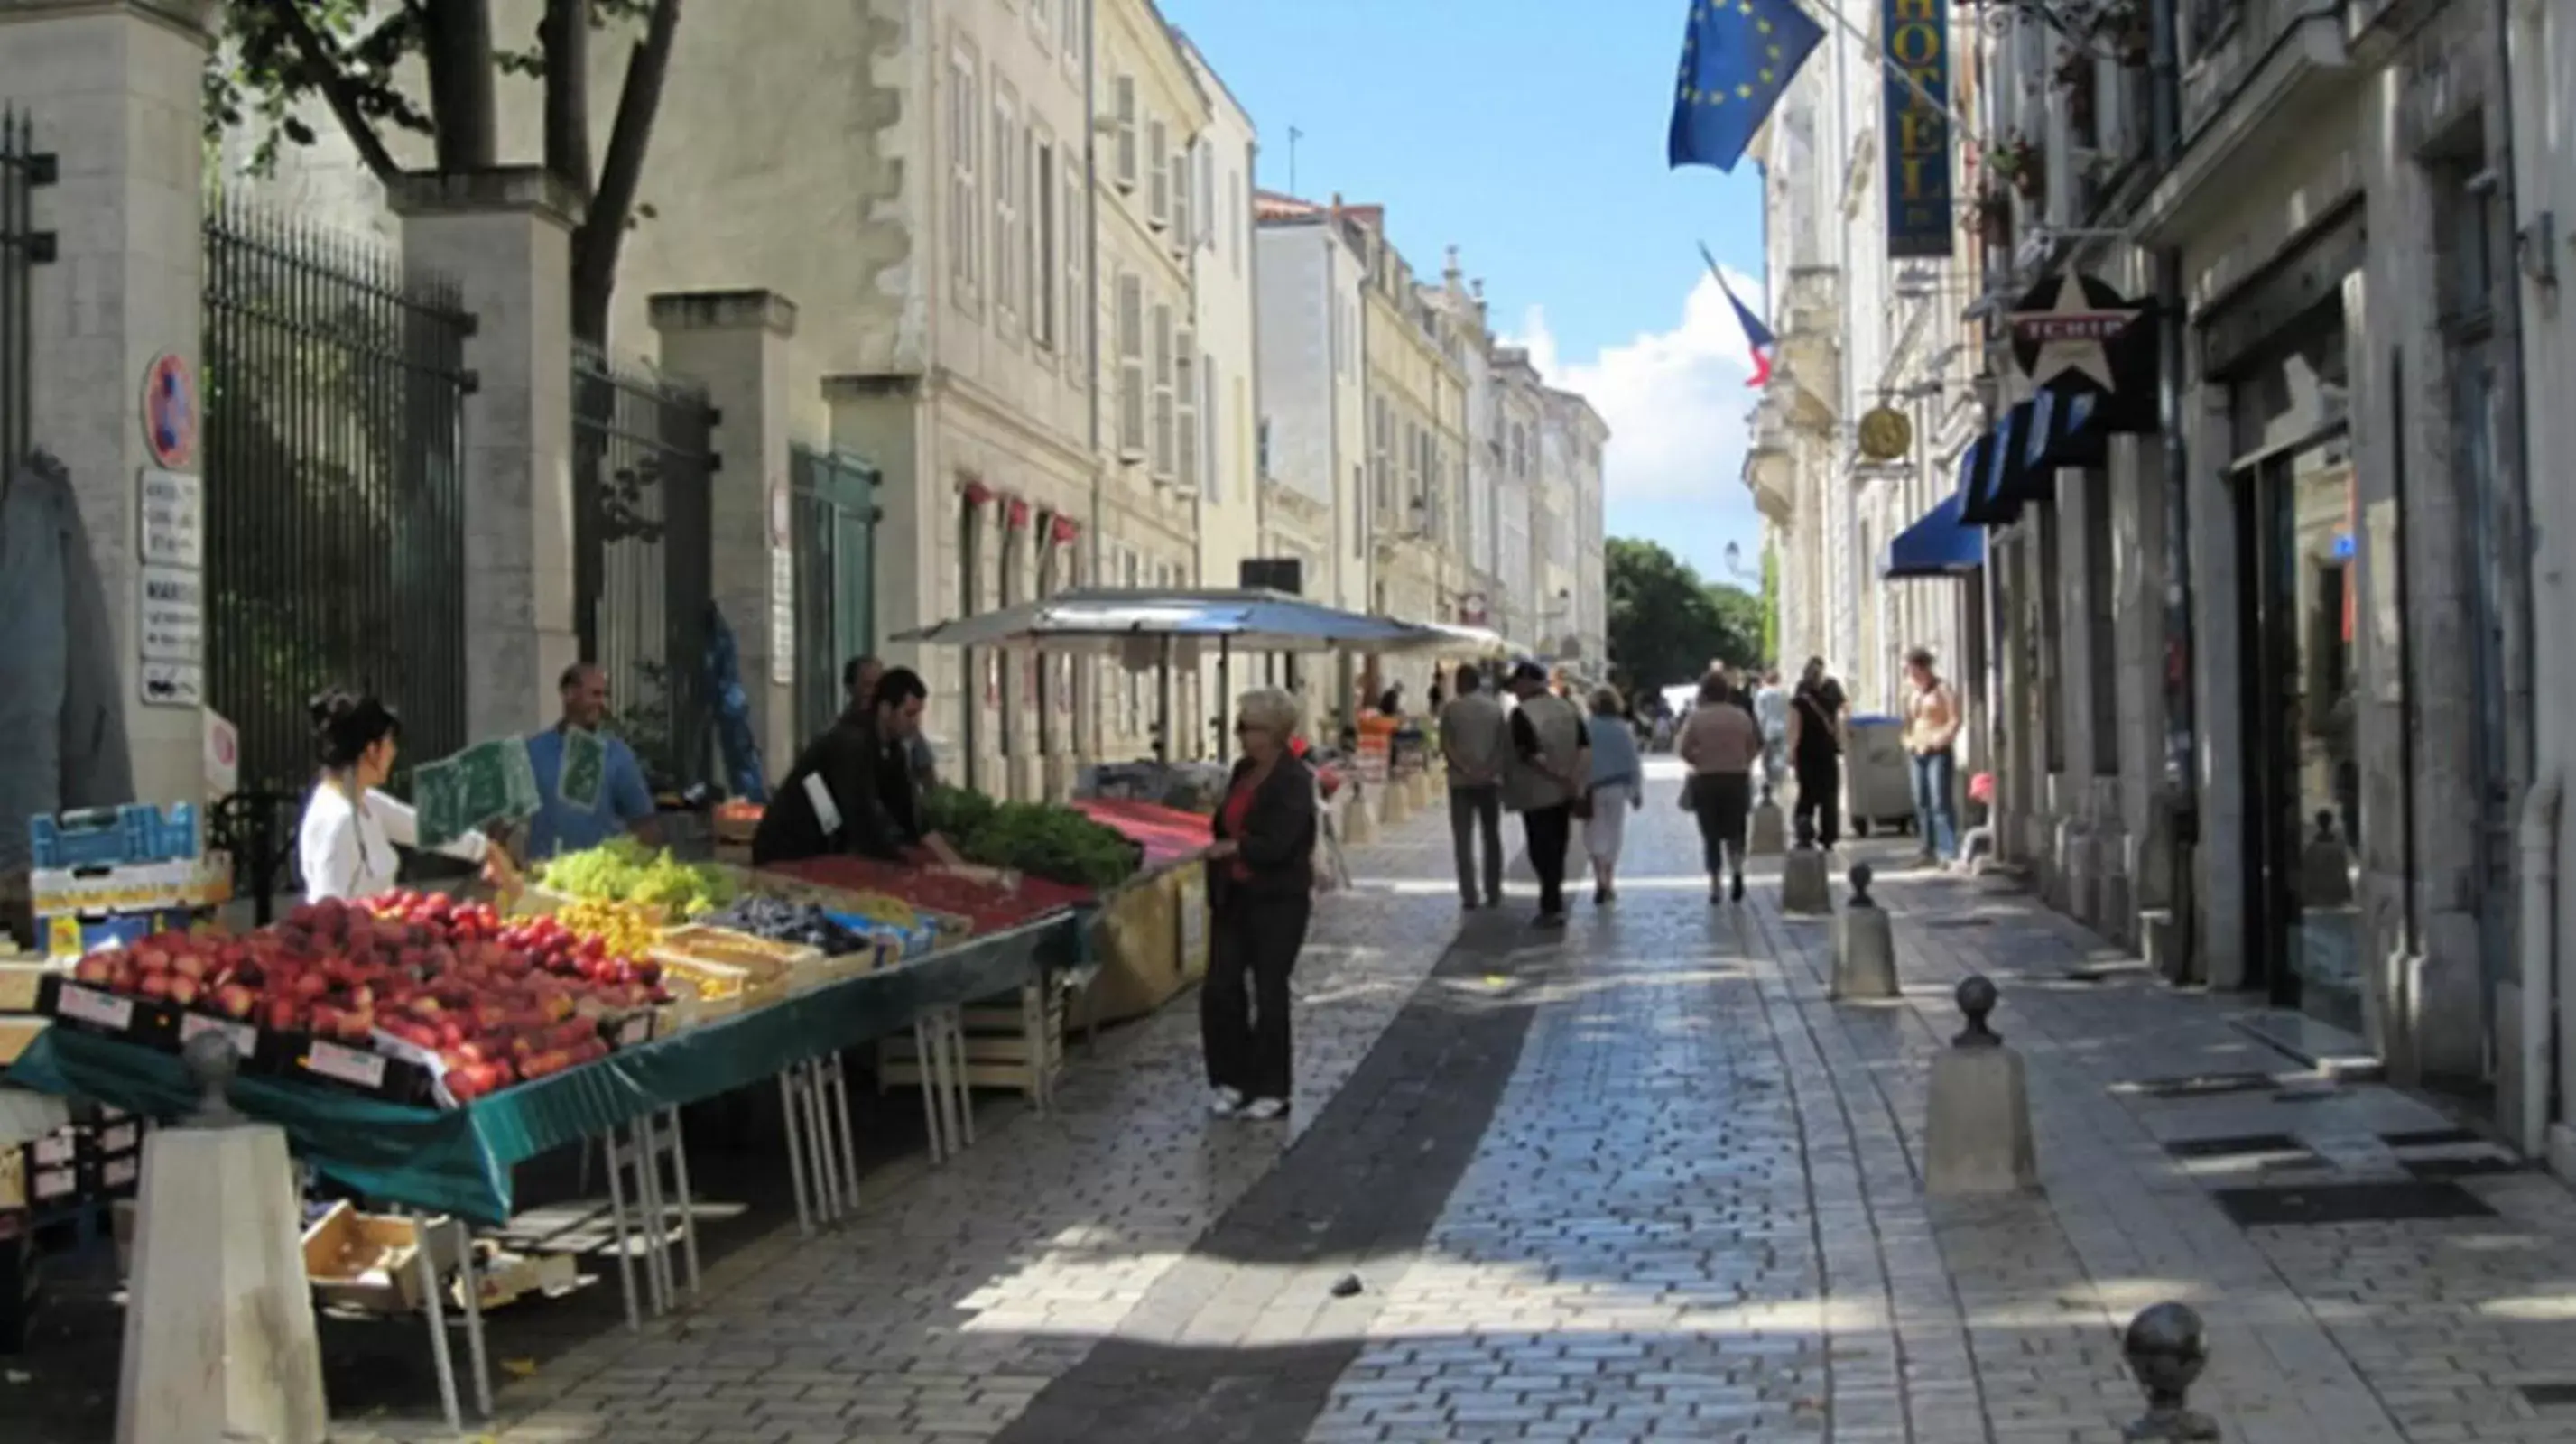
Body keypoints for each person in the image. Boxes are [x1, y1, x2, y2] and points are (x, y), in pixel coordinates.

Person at [1204, 688, 1318, 1122]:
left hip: (1277, 900)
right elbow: (1226, 821)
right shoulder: (1242, 771)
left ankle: (1273, 1087)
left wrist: (1235, 848)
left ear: (1274, 731)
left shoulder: (1293, 779)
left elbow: (1278, 843)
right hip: (1233, 897)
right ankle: (1231, 1079)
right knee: (1221, 988)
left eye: (1248, 728)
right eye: (1240, 726)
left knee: (1270, 991)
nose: (1241, 735)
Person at [297, 690, 517, 902]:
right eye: (390, 742)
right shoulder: (339, 821)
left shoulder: (362, 800)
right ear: (373, 750)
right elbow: (326, 915)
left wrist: (487, 850)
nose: (393, 752)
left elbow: (423, 827)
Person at [755, 667, 965, 867]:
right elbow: (861, 815)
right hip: (789, 849)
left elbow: (905, 812)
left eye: (918, 714)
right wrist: (897, 859)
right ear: (885, 709)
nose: (916, 723)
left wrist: (943, 856)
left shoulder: (893, 750)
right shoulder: (850, 742)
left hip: (826, 847)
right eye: (909, 714)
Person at [521, 662, 658, 860]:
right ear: (569, 694)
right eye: (594, 694)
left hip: (601, 879)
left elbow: (644, 822)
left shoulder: (617, 755)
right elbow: (504, 820)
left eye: (604, 695)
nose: (601, 703)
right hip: (546, 878)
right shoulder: (534, 752)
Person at [1503, 661, 1589, 929]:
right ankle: (1554, 897)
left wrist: (1557, 775)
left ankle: (1551, 902)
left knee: (1541, 846)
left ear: (1527, 684)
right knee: (1559, 843)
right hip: (1566, 791)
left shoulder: (1522, 714)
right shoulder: (1568, 708)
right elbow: (1584, 747)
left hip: (1536, 791)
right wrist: (1573, 777)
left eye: (1517, 684)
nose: (1515, 690)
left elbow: (1529, 756)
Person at [1679, 672, 1765, 903]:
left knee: (1711, 835)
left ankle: (1716, 885)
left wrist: (1700, 760)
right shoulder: (1741, 717)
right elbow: (1755, 745)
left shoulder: (1697, 718)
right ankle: (1737, 871)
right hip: (1736, 778)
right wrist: (1743, 760)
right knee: (1736, 830)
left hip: (1706, 780)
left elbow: (1683, 749)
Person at [1438, 666, 1510, 910]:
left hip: (1460, 782)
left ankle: (1469, 894)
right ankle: (1493, 889)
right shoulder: (1494, 709)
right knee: (1492, 837)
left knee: (1463, 839)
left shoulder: (1451, 709)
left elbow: (1446, 745)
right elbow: (1503, 745)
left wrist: (1465, 768)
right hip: (1489, 782)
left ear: (1460, 683)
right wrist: (1489, 769)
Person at [1582, 685, 1645, 904]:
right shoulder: (1623, 729)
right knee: (1614, 833)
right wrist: (1636, 791)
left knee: (1593, 833)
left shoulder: (1586, 727)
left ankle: (1599, 878)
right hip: (1617, 788)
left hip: (1592, 788)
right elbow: (1633, 761)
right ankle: (1609, 880)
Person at [1903, 646, 1964, 866]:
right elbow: (1908, 723)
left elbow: (1955, 719)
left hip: (1937, 749)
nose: (1912, 675)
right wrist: (1908, 742)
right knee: (1922, 801)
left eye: (1914, 670)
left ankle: (1946, 850)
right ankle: (1926, 849)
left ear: (1924, 667)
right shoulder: (1913, 693)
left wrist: (1942, 739)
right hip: (1917, 751)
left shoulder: (1943, 689)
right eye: (1909, 671)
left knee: (1940, 800)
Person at [845, 654, 938, 790]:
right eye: (868, 685)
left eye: (880, 684)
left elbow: (928, 777)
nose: (875, 692)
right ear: (851, 688)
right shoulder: (847, 740)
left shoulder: (900, 743)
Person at [1786, 657, 1848, 850]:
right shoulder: (1830, 699)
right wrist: (1839, 744)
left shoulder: (1798, 701)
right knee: (1829, 795)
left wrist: (1791, 752)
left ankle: (1804, 830)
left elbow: (1795, 728)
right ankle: (1828, 836)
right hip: (1826, 751)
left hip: (1806, 752)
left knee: (1807, 794)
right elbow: (1837, 723)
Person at [1753, 668, 1791, 801]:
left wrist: (1759, 732)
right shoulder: (1784, 694)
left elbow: (1759, 715)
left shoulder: (1761, 694)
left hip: (1767, 730)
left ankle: (1768, 785)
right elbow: (1789, 712)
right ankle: (1778, 785)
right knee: (1780, 757)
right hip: (1782, 729)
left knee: (1767, 760)